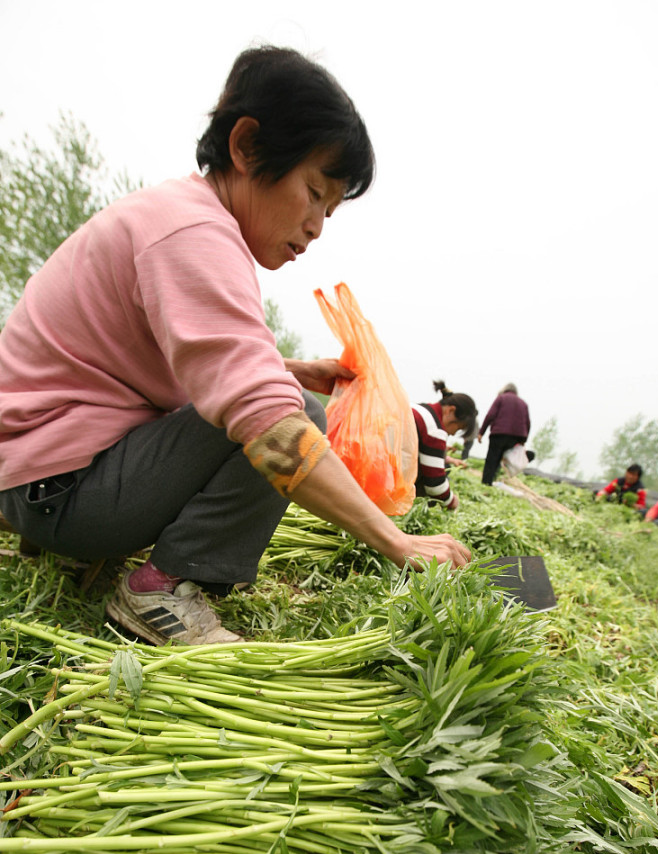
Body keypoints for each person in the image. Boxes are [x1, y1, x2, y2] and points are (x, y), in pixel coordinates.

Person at [0, 46, 471, 647]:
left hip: (35, 481)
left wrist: (292, 368)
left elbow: (173, 359)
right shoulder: (195, 237)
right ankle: (164, 588)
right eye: (313, 191)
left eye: (330, 209)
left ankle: (76, 550)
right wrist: (396, 540)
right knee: (294, 417)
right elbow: (267, 423)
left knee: (285, 395)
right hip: (62, 495)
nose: (317, 226)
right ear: (246, 147)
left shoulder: (174, 215)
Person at [412, 380, 477, 510]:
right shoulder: (434, 428)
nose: (453, 434)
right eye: (458, 427)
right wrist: (452, 501)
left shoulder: (419, 409)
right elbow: (435, 486)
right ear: (450, 410)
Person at [477, 382, 531, 485]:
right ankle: (492, 480)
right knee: (501, 458)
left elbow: (490, 415)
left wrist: (481, 432)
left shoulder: (501, 398)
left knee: (492, 458)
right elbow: (528, 423)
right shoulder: (523, 403)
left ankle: (486, 483)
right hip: (515, 436)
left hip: (499, 433)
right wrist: (524, 440)